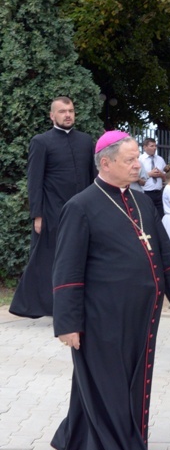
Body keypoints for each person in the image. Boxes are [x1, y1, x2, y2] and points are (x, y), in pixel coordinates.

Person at [51, 131, 170, 450]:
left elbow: (164, 255)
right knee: (110, 386)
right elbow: (66, 271)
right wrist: (67, 323)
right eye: (130, 160)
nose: (138, 166)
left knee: (108, 383)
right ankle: (121, 449)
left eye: (137, 158)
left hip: (142, 317)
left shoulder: (142, 200)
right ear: (106, 162)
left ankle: (73, 439)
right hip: (101, 319)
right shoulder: (81, 206)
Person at [10, 96, 96, 319]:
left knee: (83, 257)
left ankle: (82, 304)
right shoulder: (41, 141)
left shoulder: (86, 141)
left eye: (71, 110)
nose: (68, 115)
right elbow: (34, 181)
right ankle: (43, 306)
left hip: (83, 211)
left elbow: (92, 177)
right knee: (48, 260)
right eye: (62, 111)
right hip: (52, 212)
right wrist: (37, 215)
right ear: (52, 116)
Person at [139, 137, 166, 218]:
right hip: (146, 193)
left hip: (158, 193)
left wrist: (161, 174)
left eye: (155, 146)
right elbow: (136, 177)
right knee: (148, 217)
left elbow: (166, 178)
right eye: (152, 146)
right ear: (145, 147)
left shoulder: (160, 159)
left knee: (160, 217)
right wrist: (150, 174)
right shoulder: (140, 160)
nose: (154, 148)